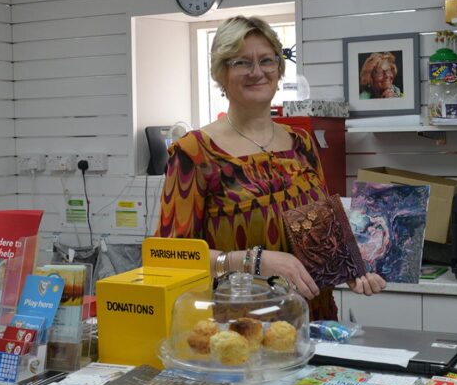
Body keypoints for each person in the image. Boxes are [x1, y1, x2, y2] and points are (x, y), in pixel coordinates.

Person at [157, 16, 385, 320]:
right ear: (220, 74)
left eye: (267, 60)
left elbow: (318, 231)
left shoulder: (300, 142)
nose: (257, 72)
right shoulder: (194, 153)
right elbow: (170, 258)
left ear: (278, 71)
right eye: (241, 62)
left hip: (312, 320)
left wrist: (350, 266)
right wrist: (254, 261)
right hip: (239, 331)